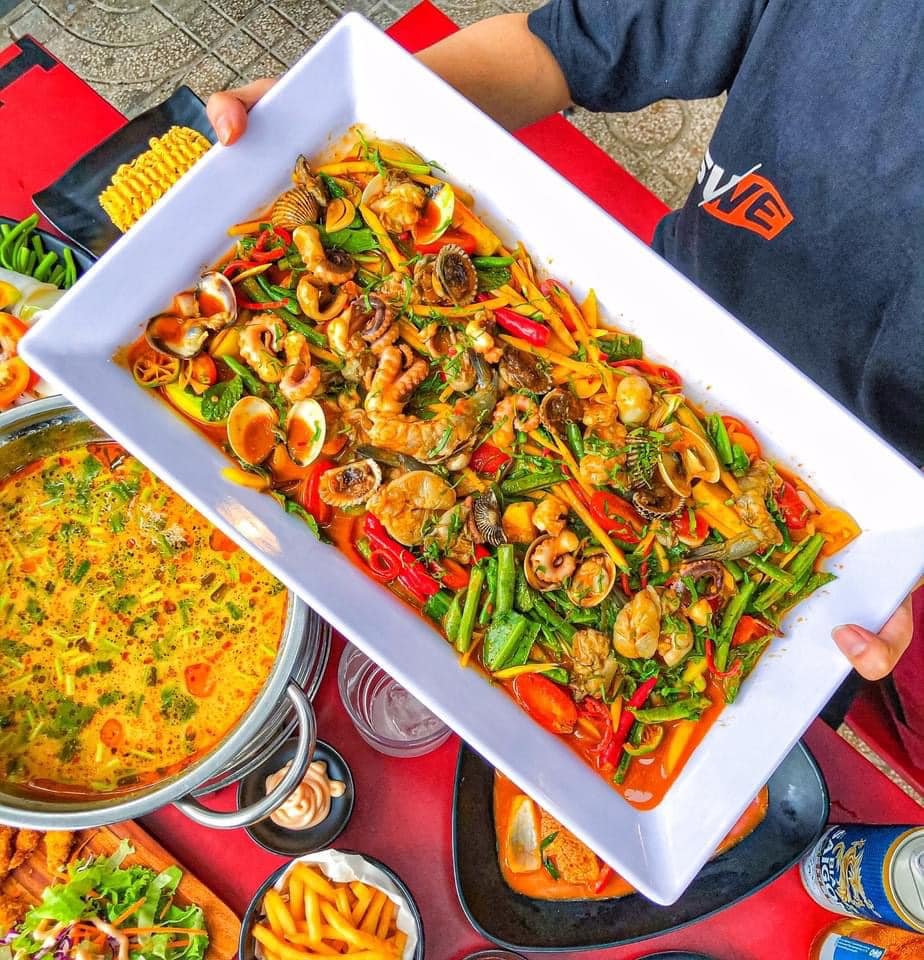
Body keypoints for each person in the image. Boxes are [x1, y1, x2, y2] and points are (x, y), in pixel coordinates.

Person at [206, 2, 920, 682]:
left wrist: (897, 550)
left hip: (866, 496)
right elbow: (563, 48)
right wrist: (342, 107)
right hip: (645, 335)